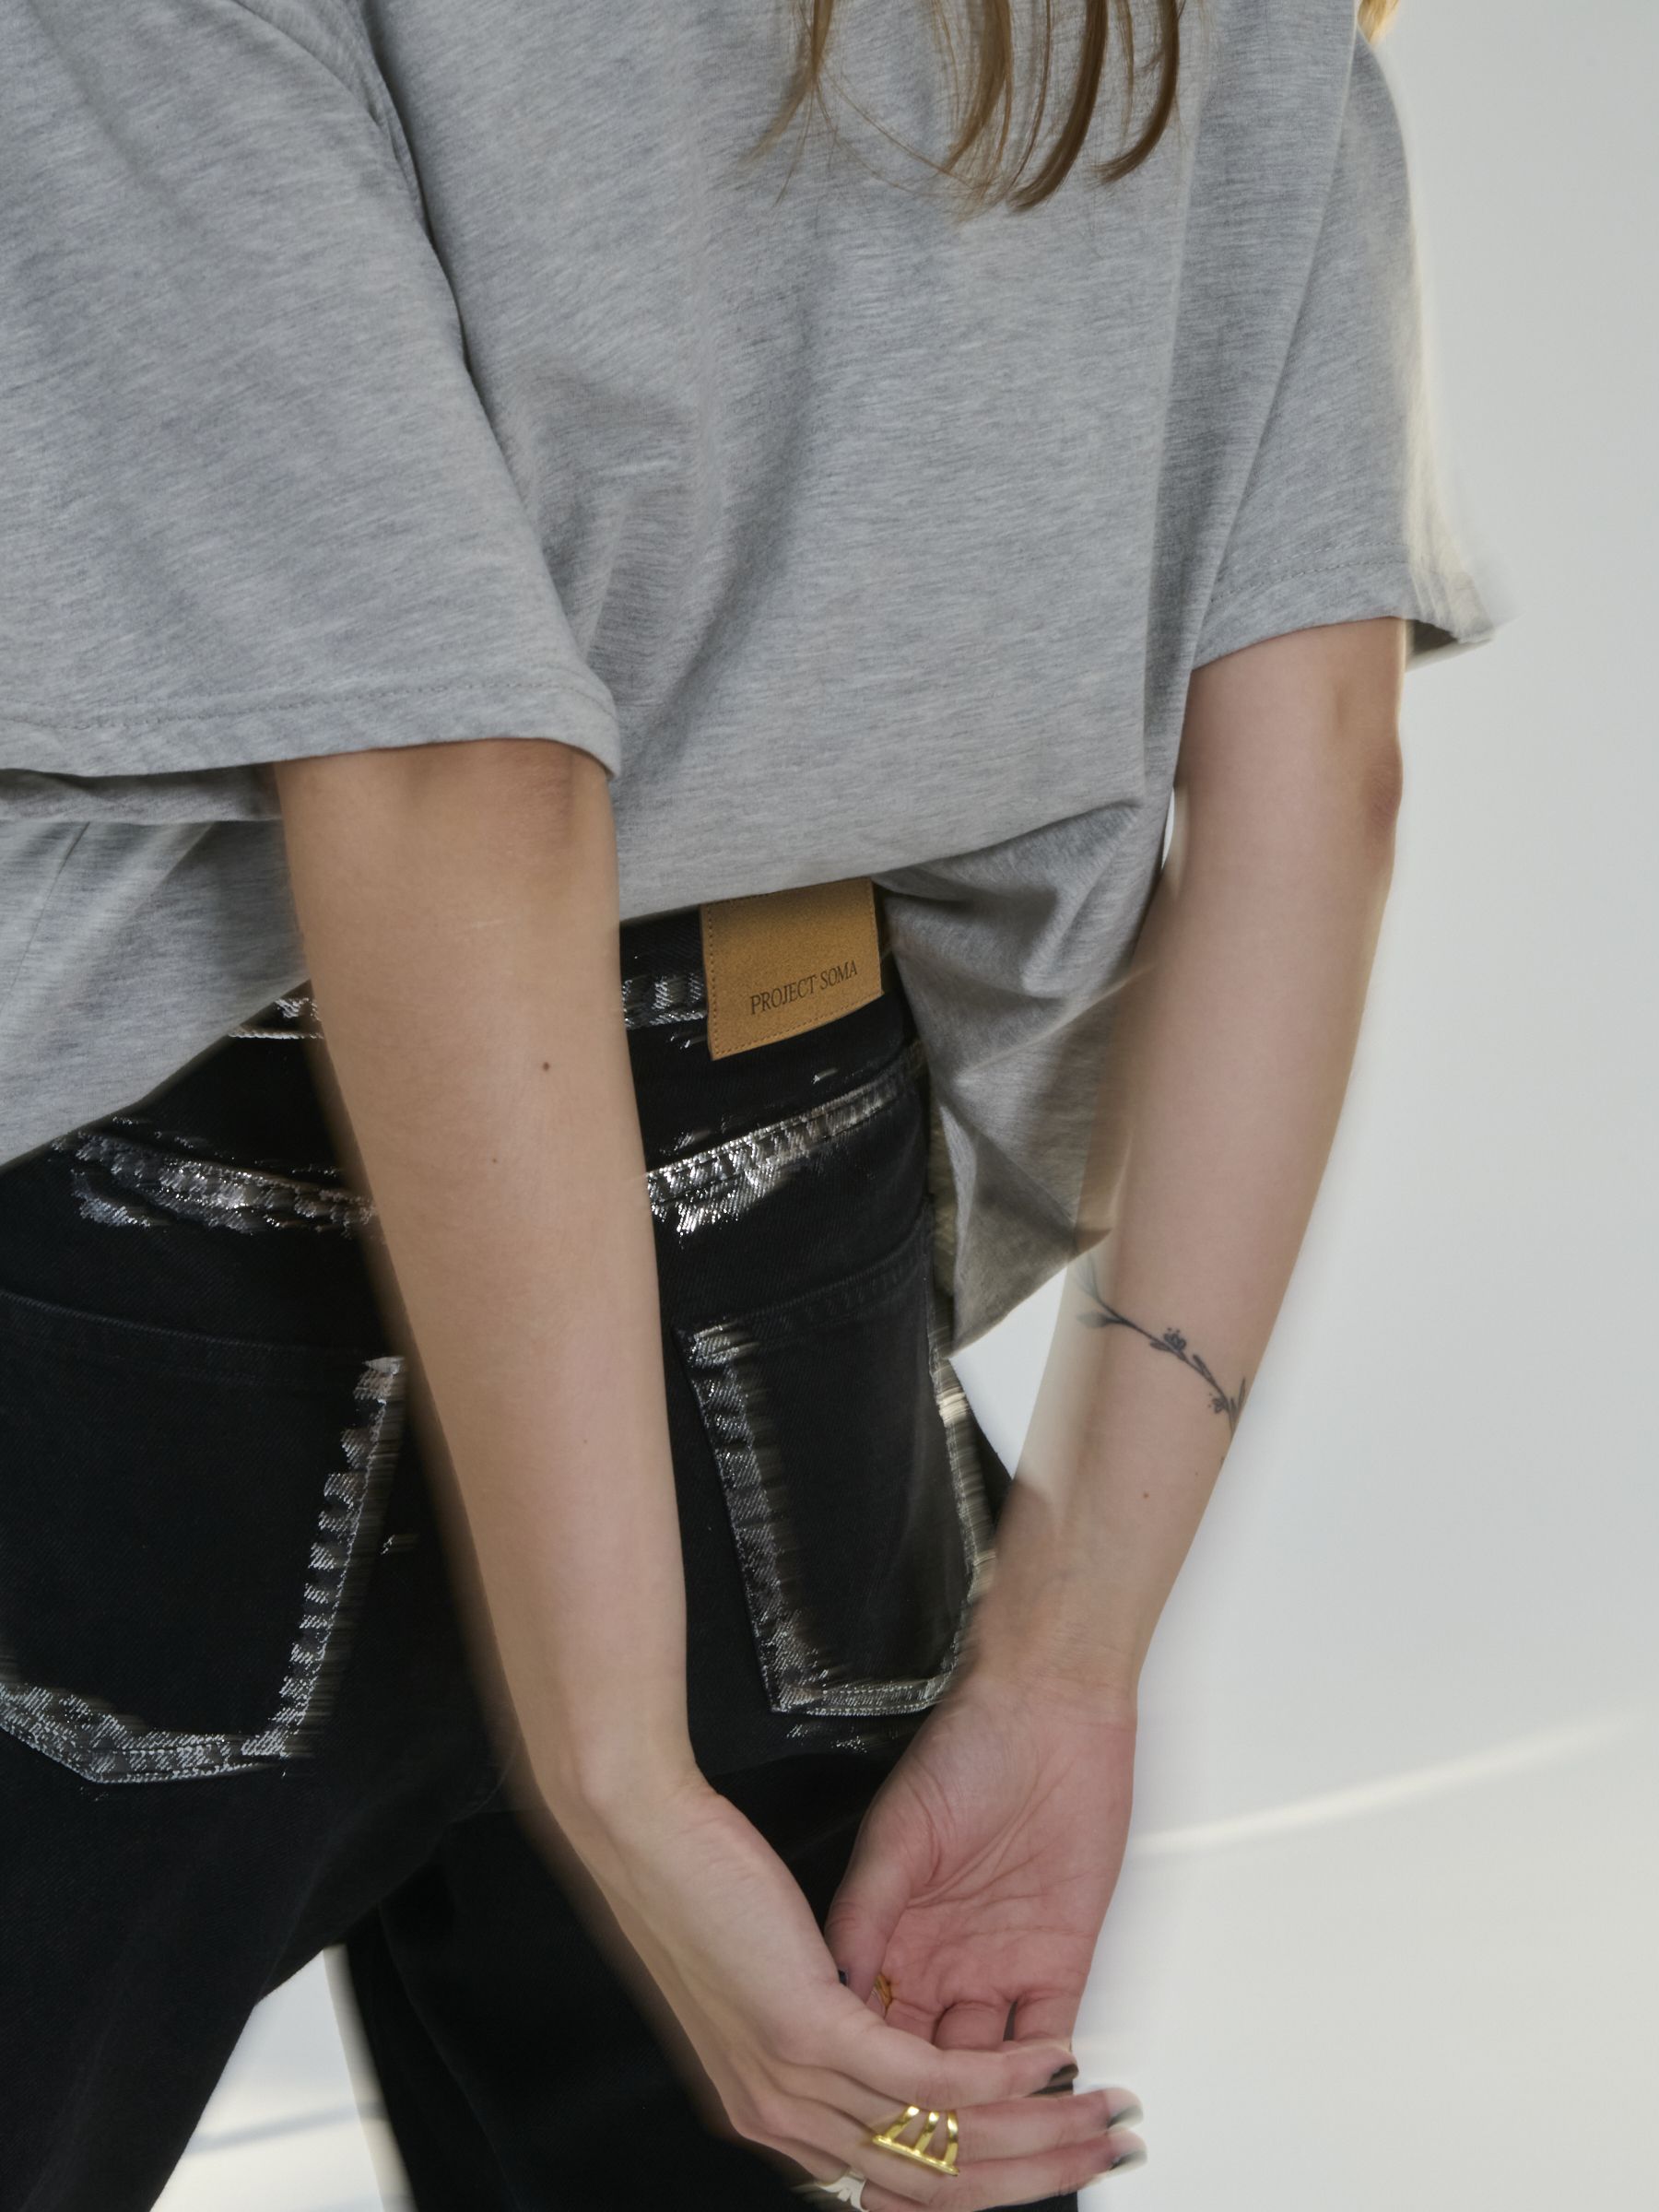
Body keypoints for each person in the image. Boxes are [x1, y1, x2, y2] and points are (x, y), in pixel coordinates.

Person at [0, 2, 1501, 2207]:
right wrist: (1067, 1672)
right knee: (870, 2138)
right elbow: (1318, 772)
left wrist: (622, 1780)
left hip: (137, 1292)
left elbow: (453, 777)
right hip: (794, 1283)